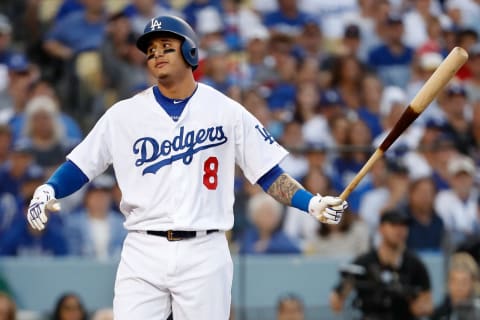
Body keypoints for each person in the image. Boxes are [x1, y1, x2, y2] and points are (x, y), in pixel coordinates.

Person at [26, 15, 348, 320]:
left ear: (190, 51)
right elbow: (81, 165)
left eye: (166, 46)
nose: (157, 54)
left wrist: (312, 203)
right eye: (151, 50)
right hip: (142, 247)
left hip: (204, 249)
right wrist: (48, 188)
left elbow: (268, 174)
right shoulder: (124, 115)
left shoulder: (225, 111)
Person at [329, 209, 433, 320]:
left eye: (404, 225)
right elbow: (336, 301)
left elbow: (427, 303)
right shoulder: (364, 262)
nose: (400, 230)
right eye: (394, 225)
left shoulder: (415, 264)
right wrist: (345, 289)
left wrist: (410, 298)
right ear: (381, 229)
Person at [432, 252, 480, 320]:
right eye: (454, 281)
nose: (459, 287)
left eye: (464, 282)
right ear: (448, 283)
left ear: (473, 284)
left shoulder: (478, 311)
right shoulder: (438, 313)